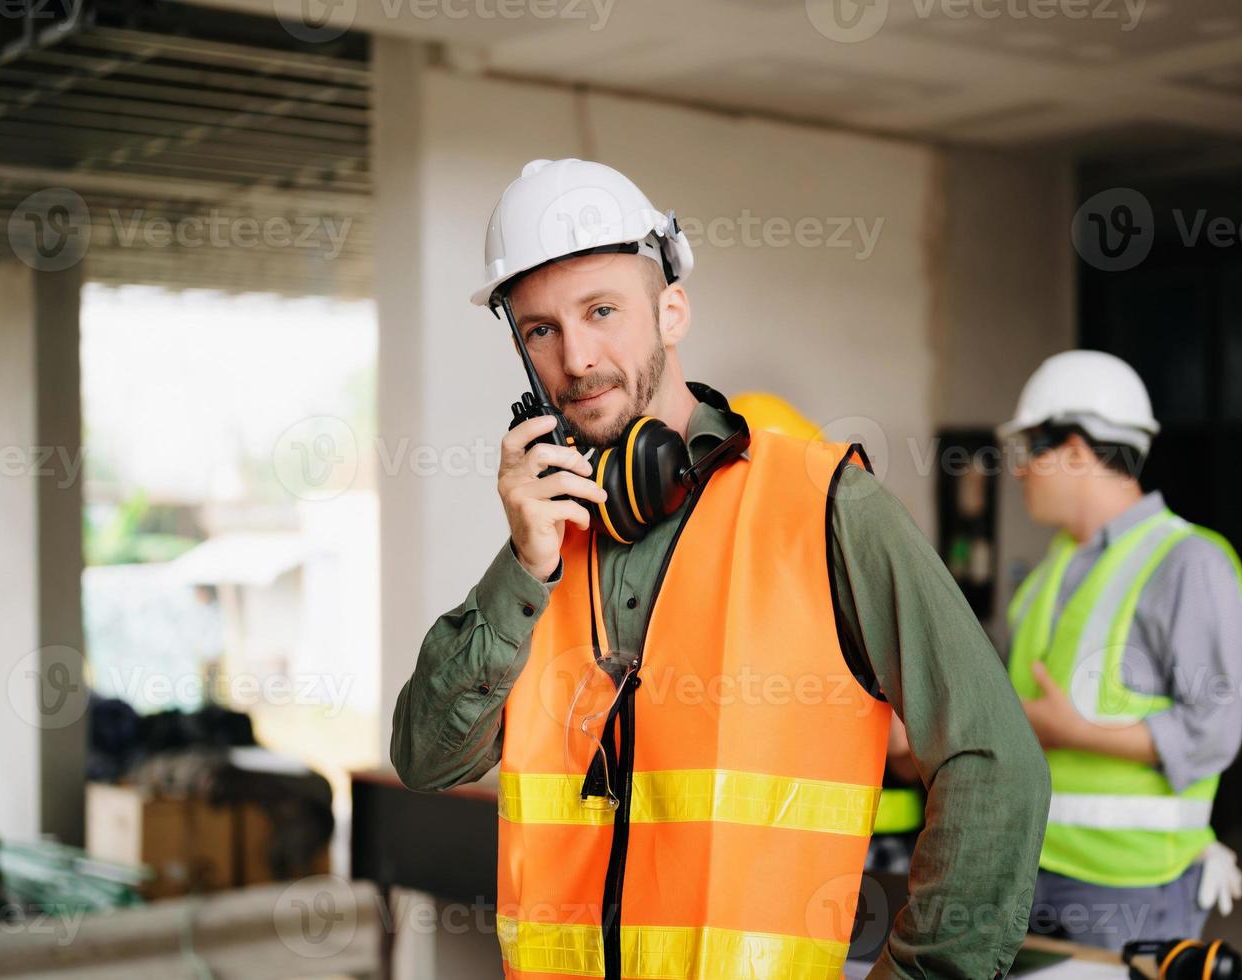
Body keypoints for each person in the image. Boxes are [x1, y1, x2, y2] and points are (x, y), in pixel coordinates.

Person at [391, 158, 1049, 979]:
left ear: (671, 310)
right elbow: (426, 756)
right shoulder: (550, 539)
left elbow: (995, 760)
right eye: (541, 330)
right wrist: (523, 566)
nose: (577, 358)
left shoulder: (825, 501)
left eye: (602, 311)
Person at [997, 350, 1242, 951]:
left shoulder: (1189, 562)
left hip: (1135, 887)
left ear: (1078, 452)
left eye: (1030, 450)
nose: (1018, 472)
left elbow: (1214, 730)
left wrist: (1074, 732)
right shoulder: (1043, 577)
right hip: (1031, 875)